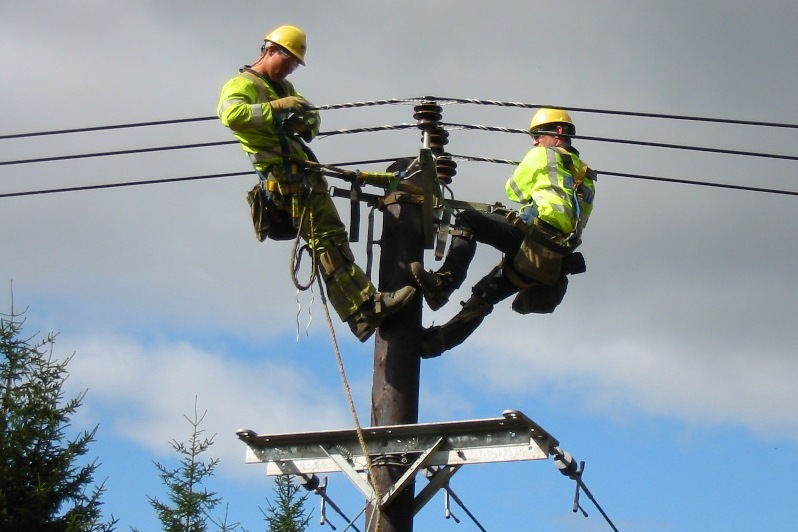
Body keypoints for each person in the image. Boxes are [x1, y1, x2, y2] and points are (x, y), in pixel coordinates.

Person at [217, 25, 415, 342]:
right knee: (327, 240)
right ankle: (365, 306)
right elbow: (231, 115)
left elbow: (312, 118)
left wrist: (301, 119)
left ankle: (362, 312)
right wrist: (275, 110)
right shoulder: (242, 84)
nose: (291, 68)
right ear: (270, 51)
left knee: (331, 240)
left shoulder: (285, 87)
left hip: (303, 175)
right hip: (283, 179)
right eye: (289, 60)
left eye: (295, 64)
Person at [409, 108, 597, 357]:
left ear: (558, 131)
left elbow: (515, 191)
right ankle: (436, 343)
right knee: (485, 295)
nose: (535, 141)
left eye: (538, 135)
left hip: (535, 238)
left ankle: (444, 284)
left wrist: (534, 190)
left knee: (468, 220)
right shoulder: (587, 176)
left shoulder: (542, 155)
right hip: (552, 258)